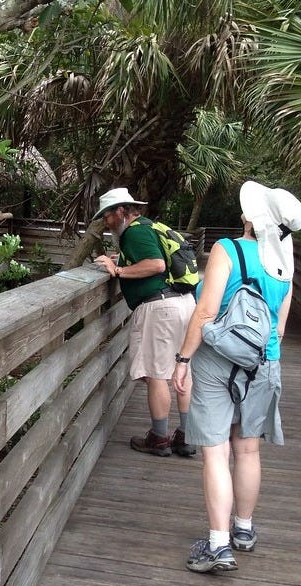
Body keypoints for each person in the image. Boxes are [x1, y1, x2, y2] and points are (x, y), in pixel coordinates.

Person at [172, 180, 301, 573]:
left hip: (218, 361)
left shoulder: (227, 249)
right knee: (247, 450)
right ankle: (243, 530)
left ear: (250, 218)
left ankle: (218, 545)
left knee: (217, 452)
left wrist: (183, 359)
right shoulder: (285, 263)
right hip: (265, 362)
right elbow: (279, 328)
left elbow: (205, 312)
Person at [92, 187, 197, 457]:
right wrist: (123, 259)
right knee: (182, 369)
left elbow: (156, 265)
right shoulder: (149, 226)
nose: (105, 222)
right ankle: (186, 435)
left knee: (157, 374)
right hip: (183, 303)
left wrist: (118, 270)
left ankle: (159, 438)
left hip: (160, 308)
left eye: (107, 216)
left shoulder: (135, 232)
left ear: (120, 211)